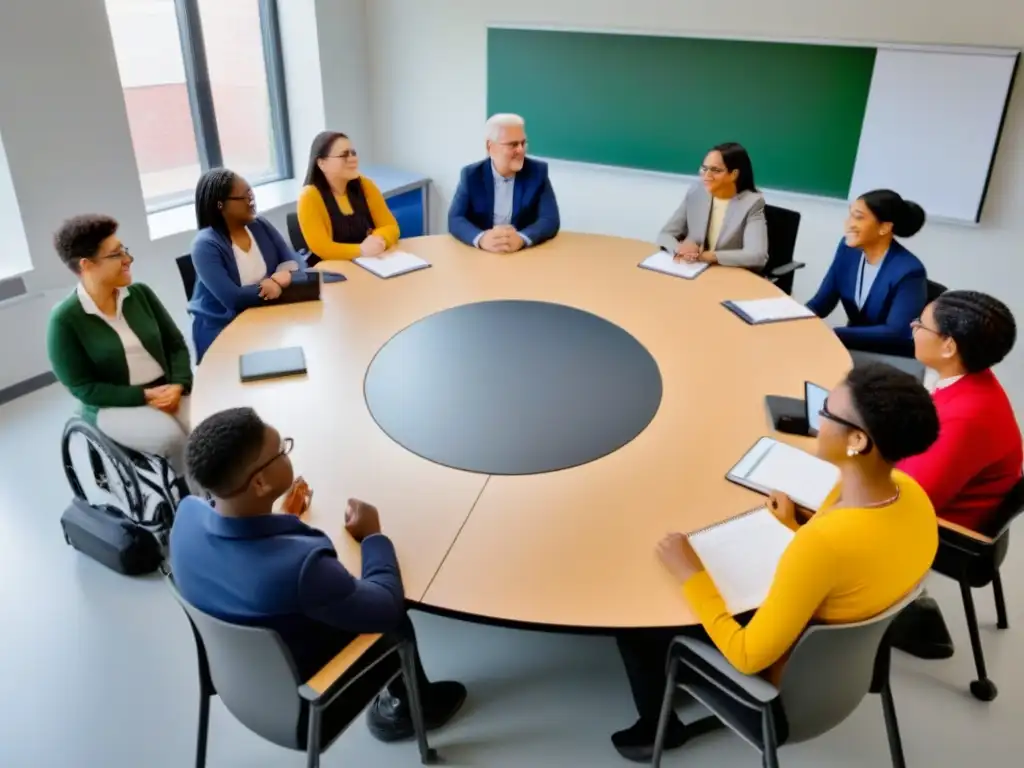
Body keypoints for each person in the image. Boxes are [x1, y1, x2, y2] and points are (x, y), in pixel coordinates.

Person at [613, 363, 940, 763]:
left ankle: (658, 729)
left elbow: (749, 655)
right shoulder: (912, 495)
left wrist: (690, 573)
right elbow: (848, 547)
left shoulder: (825, 543)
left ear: (857, 440)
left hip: (784, 687)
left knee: (635, 626)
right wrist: (791, 524)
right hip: (854, 659)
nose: (816, 420)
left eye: (827, 412)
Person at [169, 407, 466, 744]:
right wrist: (373, 536)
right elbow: (387, 606)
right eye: (281, 450)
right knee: (397, 626)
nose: (286, 453)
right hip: (305, 704)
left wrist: (279, 525)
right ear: (260, 482)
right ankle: (414, 710)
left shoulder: (186, 518)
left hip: (235, 679)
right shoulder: (302, 567)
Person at [889, 291, 1021, 660]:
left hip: (950, 532)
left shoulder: (966, 417)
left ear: (948, 346)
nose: (913, 327)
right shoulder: (972, 381)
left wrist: (853, 454)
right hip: (959, 505)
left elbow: (909, 500)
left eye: (921, 324)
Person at [47, 214, 193, 472]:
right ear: (86, 265)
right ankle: (198, 505)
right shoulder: (65, 320)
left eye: (124, 250)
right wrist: (143, 395)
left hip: (168, 388)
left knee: (210, 425)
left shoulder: (140, 295)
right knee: (173, 440)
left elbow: (175, 344)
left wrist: (178, 385)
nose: (128, 259)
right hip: (114, 405)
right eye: (116, 255)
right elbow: (83, 388)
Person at [188, 169, 304, 363]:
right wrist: (276, 282)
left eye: (251, 193)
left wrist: (278, 280)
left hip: (266, 317)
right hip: (223, 330)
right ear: (221, 205)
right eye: (244, 197)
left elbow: (295, 260)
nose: (252, 200)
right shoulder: (205, 245)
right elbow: (233, 298)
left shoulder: (260, 225)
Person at [807, 190, 928, 356]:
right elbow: (821, 303)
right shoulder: (848, 249)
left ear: (884, 227)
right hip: (850, 346)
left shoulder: (910, 271)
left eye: (859, 217)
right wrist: (787, 318)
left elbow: (896, 332)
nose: (849, 224)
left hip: (887, 356)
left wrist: (834, 333)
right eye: (850, 215)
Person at [448, 113, 560, 252]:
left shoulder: (537, 172)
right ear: (490, 147)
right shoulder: (472, 175)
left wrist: (521, 238)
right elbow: (455, 219)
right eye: (513, 144)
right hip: (482, 255)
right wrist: (481, 238)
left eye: (523, 143)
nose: (520, 150)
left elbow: (550, 219)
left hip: (523, 256)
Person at [656, 142, 768, 269]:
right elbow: (665, 234)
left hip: (729, 274)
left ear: (733, 174)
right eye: (704, 168)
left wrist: (707, 256)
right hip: (692, 269)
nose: (707, 176)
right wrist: (680, 249)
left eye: (715, 170)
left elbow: (757, 255)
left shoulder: (752, 203)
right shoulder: (696, 192)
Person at [297, 131, 401, 261]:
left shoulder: (366, 185)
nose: (352, 159)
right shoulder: (309, 196)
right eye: (344, 155)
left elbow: (391, 226)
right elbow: (323, 248)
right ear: (322, 163)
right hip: (333, 271)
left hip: (370, 264)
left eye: (353, 153)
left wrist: (379, 239)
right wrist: (361, 250)